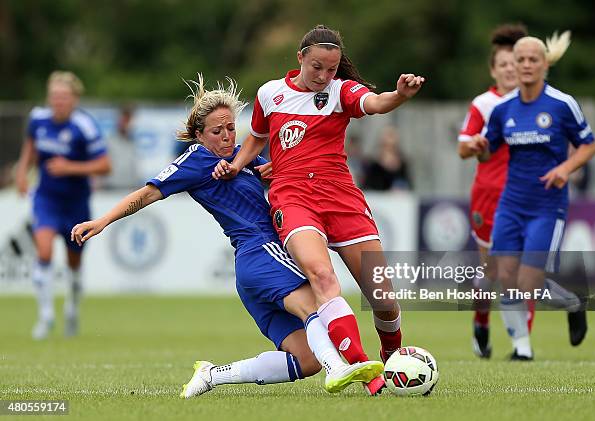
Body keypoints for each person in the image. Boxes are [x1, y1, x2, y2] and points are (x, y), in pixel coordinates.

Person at [71, 75, 383, 398]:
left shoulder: (241, 159)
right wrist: (103, 220)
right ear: (199, 136)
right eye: (216, 131)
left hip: (252, 270)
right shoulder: (196, 159)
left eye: (231, 128)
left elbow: (284, 172)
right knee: (315, 305)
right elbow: (148, 194)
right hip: (261, 250)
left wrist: (276, 166)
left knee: (306, 360)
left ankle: (213, 375)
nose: (226, 136)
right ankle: (340, 368)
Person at [212, 24, 425, 394]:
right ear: (300, 58)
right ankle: (367, 374)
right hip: (292, 197)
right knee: (323, 278)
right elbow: (258, 137)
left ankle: (391, 357)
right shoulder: (270, 94)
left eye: (331, 69)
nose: (324, 76)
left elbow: (375, 103)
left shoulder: (341, 91)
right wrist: (237, 164)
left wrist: (399, 96)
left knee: (384, 299)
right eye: (317, 68)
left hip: (341, 197)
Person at [469, 31, 595, 360]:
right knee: (506, 279)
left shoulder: (562, 104)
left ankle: (572, 303)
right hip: (510, 204)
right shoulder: (502, 110)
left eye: (532, 60)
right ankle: (522, 350)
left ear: (544, 65)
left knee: (528, 282)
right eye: (519, 60)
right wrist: (481, 149)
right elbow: (488, 152)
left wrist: (565, 169)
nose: (525, 65)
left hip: (547, 206)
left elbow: (589, 145)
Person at [457, 24, 535, 359]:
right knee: (493, 271)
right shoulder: (485, 104)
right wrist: (475, 144)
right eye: (502, 64)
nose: (508, 69)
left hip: (528, 197)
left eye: (513, 63)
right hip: (490, 197)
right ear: (494, 69)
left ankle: (522, 347)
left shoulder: (537, 103)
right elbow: (462, 147)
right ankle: (481, 318)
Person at [14, 71, 111, 340]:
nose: (58, 101)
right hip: (46, 199)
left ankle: (72, 307)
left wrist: (71, 167)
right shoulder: (38, 119)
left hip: (76, 204)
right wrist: (22, 172)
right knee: (43, 252)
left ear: (74, 99)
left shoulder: (85, 126)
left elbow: (105, 165)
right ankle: (45, 316)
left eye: (64, 97)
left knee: (73, 264)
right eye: (54, 96)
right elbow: (31, 147)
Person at [363, 126, 412, 191]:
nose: (390, 141)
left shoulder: (403, 164)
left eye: (392, 135)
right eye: (388, 135)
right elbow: (368, 187)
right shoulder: (373, 165)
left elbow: (409, 186)